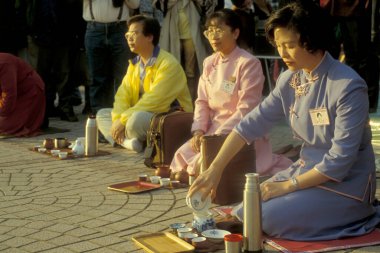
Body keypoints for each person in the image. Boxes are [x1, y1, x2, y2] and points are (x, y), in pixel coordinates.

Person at [188, 1, 380, 241]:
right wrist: (214, 169)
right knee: (248, 205)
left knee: (264, 216)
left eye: (289, 45)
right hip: (307, 170)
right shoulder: (290, 79)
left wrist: (288, 186)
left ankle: (357, 214)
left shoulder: (348, 86)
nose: (282, 53)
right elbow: (250, 124)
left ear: (312, 39)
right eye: (278, 45)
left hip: (345, 184)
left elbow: (339, 161)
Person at [170, 9, 292, 178]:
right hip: (212, 129)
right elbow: (202, 101)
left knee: (205, 161)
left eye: (219, 30)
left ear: (235, 33)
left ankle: (193, 173)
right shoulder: (209, 62)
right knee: (182, 153)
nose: (213, 36)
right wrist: (198, 131)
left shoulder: (248, 63)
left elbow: (246, 109)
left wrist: (216, 135)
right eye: (210, 31)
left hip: (242, 131)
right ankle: (190, 171)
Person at [96, 15, 193, 152]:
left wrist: (122, 121)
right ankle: (129, 143)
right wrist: (118, 119)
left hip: (170, 117)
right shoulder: (135, 64)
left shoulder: (168, 64)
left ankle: (123, 139)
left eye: (135, 33)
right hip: (144, 116)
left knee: (135, 120)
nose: (130, 38)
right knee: (102, 114)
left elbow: (154, 101)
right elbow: (122, 95)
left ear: (150, 37)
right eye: (128, 34)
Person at [83, 0, 140, 114]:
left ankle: (122, 113)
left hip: (119, 29)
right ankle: (99, 116)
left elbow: (135, 4)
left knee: (123, 76)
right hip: (95, 29)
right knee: (97, 77)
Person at [0, 53, 45, 137]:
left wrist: (2, 114)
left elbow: (9, 93)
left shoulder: (3, 64)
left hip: (29, 92)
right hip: (12, 95)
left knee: (4, 126)